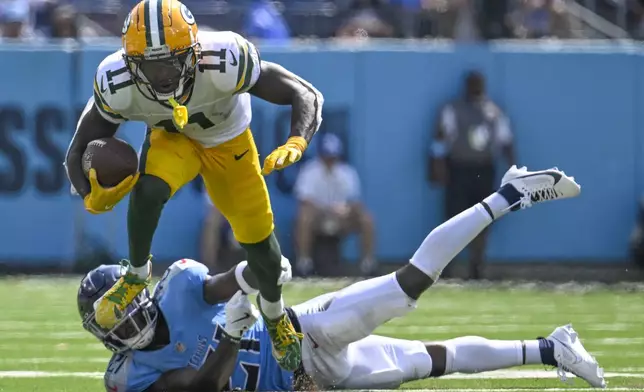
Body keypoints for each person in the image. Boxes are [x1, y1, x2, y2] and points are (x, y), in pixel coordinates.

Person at [78, 165, 606, 391]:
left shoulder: (179, 286)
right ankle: (551, 348)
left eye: (123, 308)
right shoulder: (129, 377)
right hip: (313, 380)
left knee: (407, 286)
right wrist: (232, 334)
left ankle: (507, 195)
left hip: (303, 332)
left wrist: (257, 274)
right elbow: (198, 388)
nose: (127, 326)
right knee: (431, 361)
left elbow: (224, 280)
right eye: (114, 324)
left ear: (138, 292)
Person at [64, 0, 324, 371]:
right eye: (149, 65)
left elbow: (304, 92)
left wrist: (297, 140)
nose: (162, 74)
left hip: (228, 142)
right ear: (131, 63)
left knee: (262, 248)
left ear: (194, 50)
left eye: (170, 60)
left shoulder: (225, 58)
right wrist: (89, 193)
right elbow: (78, 150)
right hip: (173, 140)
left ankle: (274, 313)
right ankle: (136, 276)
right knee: (149, 188)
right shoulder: (116, 81)